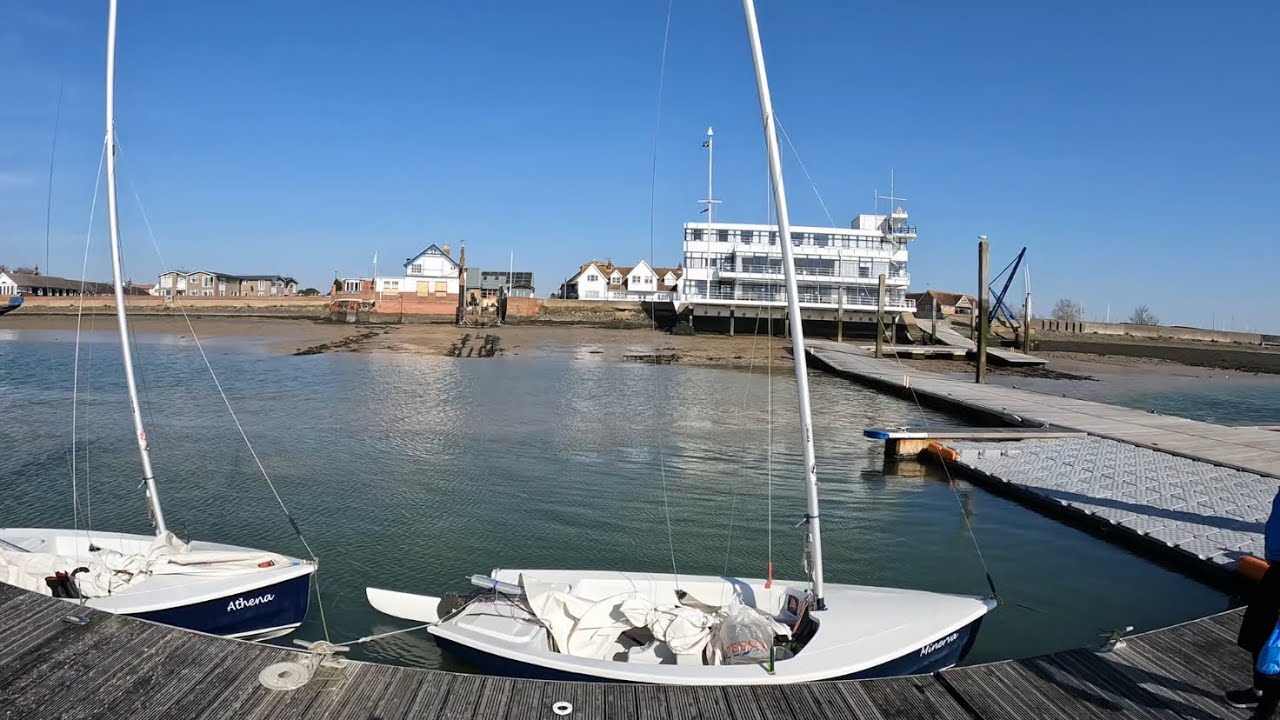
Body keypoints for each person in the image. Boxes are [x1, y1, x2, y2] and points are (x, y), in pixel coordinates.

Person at [1228, 489, 1280, 717]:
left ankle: (1265, 711)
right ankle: (1258, 691)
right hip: (1276, 568)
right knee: (1255, 634)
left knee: (1274, 646)